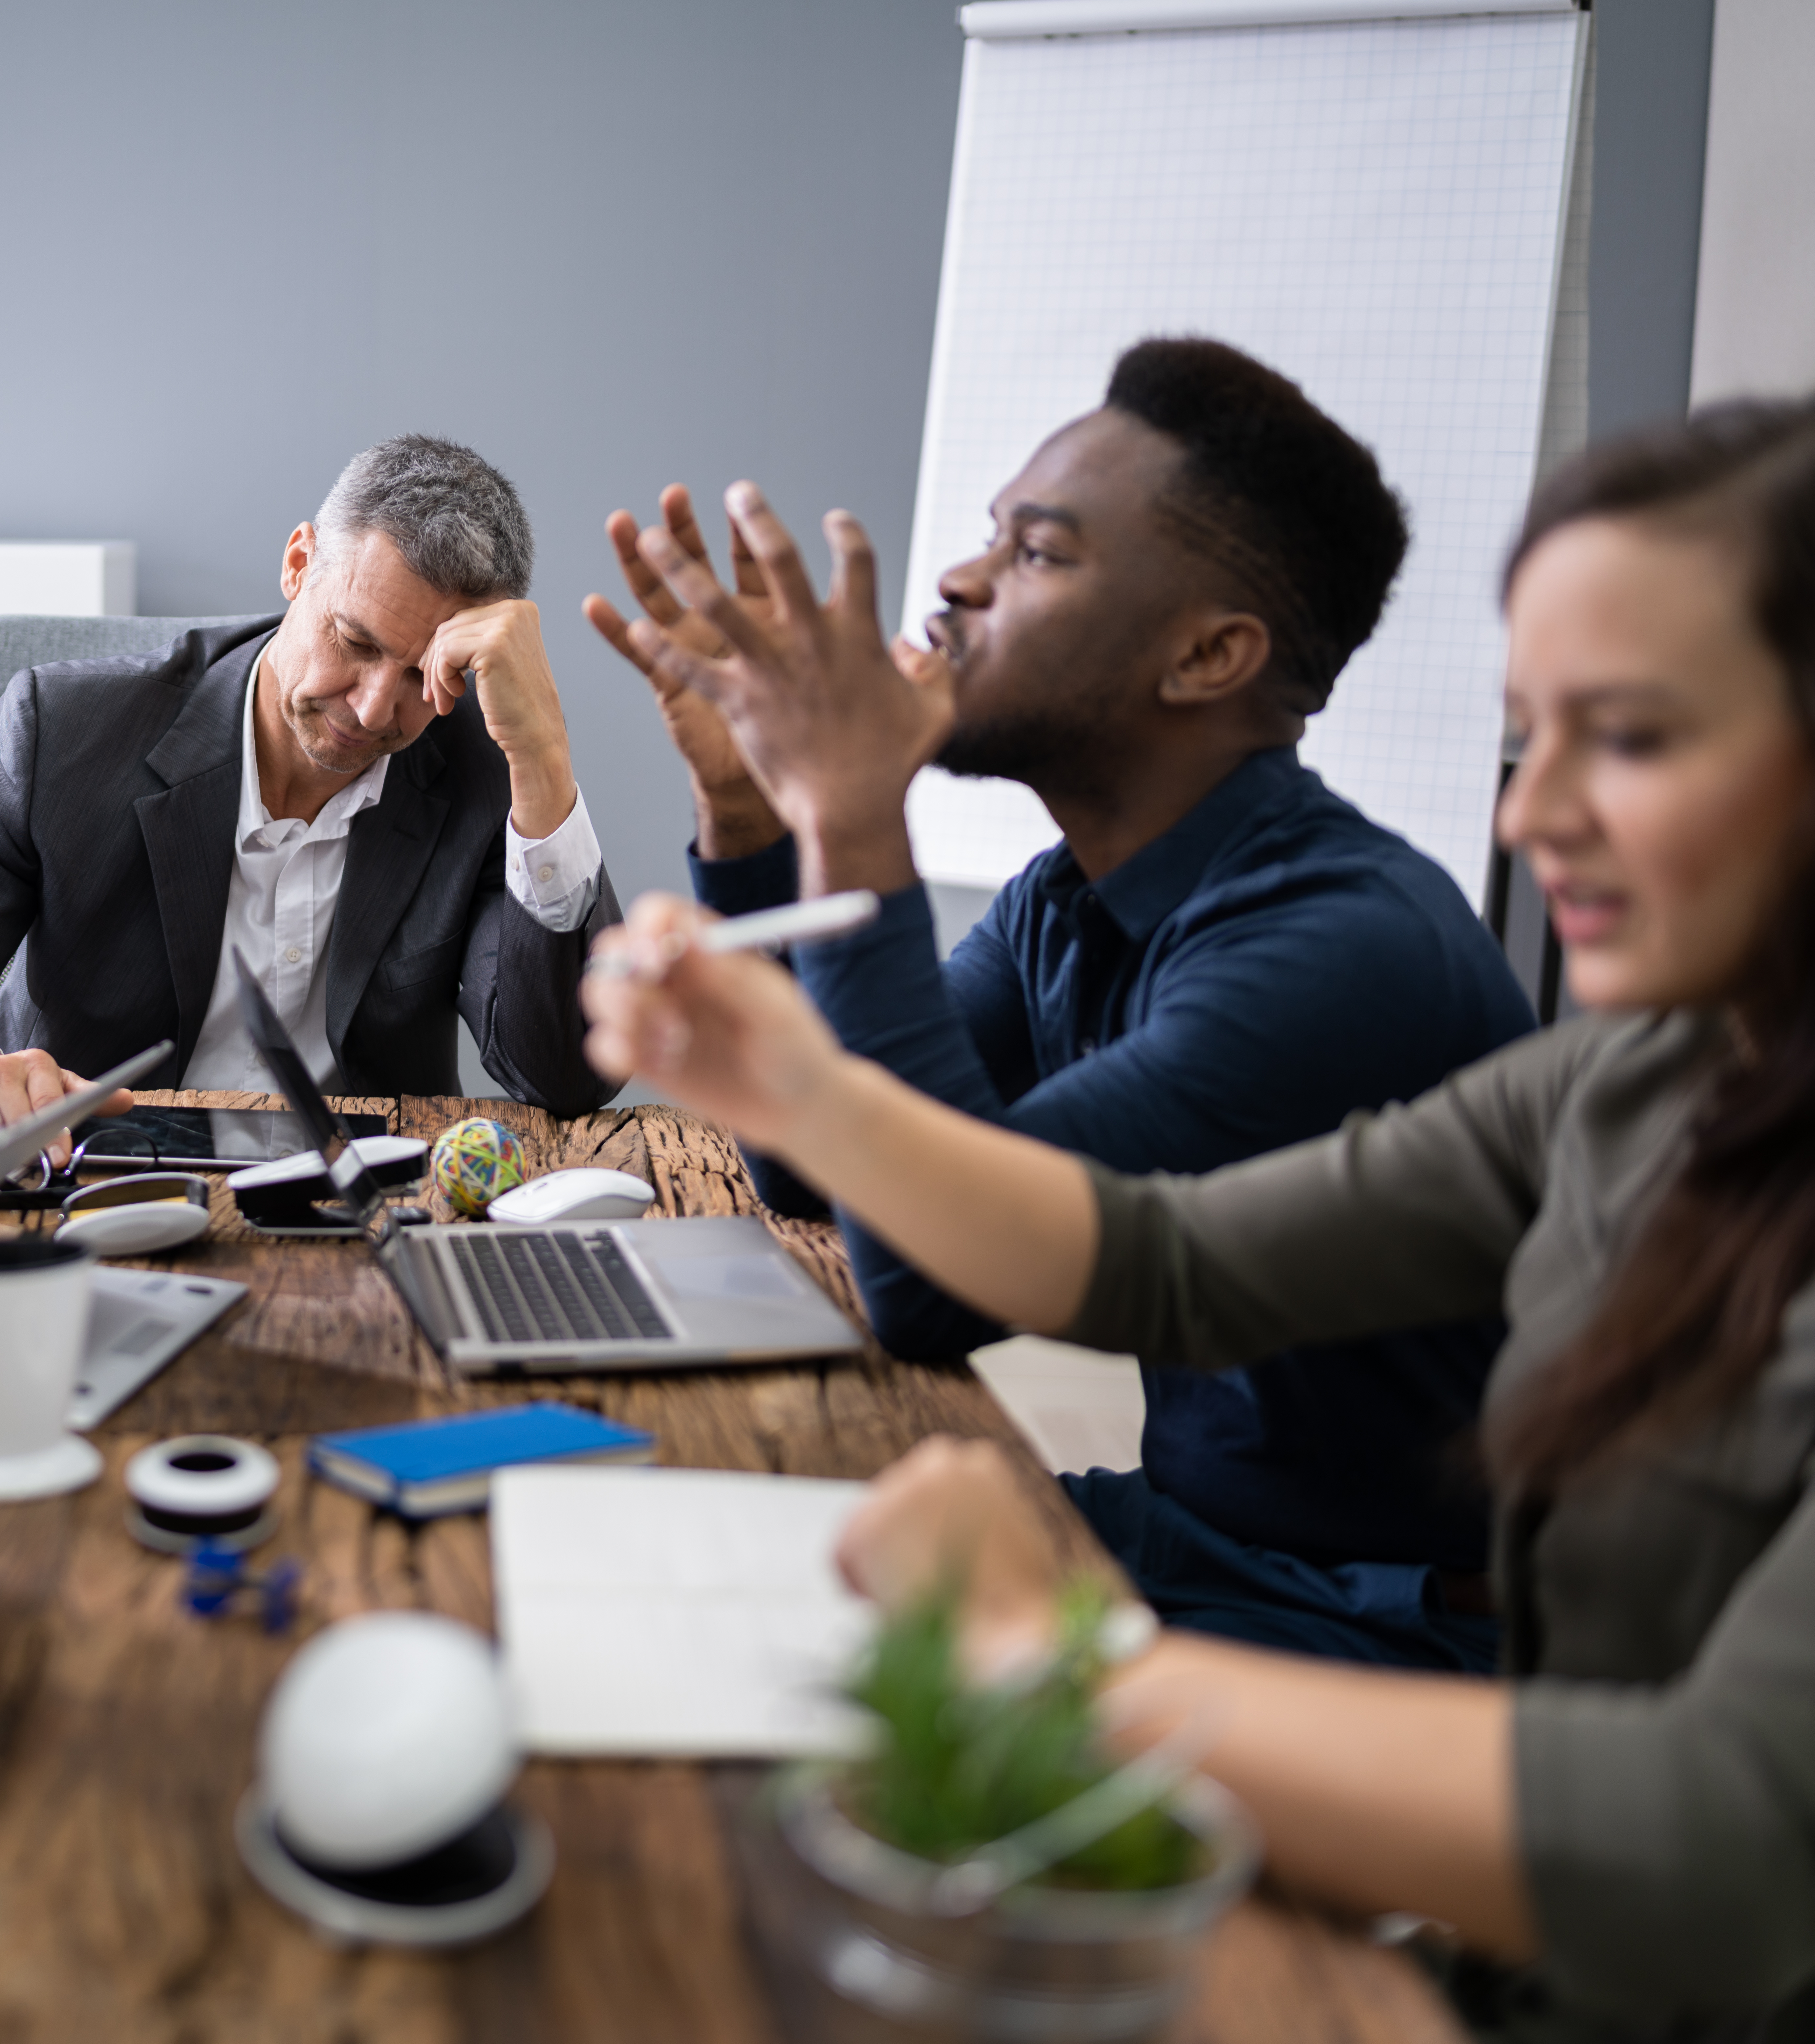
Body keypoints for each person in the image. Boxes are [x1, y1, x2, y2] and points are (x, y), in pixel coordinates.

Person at [582, 401, 1815, 2043]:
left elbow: (1721, 1844)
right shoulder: (1628, 1078)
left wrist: (1049, 1647)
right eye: (1536, 733)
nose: (1529, 813)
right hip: (1301, 1649)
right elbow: (1140, 1251)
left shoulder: (1351, 942)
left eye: (1636, 736)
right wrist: (791, 1042)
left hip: (1393, 1652)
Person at [591, 339, 1537, 1672]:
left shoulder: (1340, 947)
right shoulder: (1069, 898)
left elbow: (927, 1286)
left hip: (1374, 1621)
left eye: (1036, 554)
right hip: (1190, 1538)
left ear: (1209, 653)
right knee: (671, 1554)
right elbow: (817, 1172)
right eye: (991, 538)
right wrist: (752, 807)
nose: (961, 581)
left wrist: (850, 807)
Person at [0, 434, 621, 1150]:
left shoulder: (478, 769)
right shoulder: (63, 732)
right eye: (354, 641)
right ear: (297, 565)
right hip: (88, 1186)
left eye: (419, 675)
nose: (374, 709)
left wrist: (543, 762)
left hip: (352, 1222)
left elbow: (565, 1077)